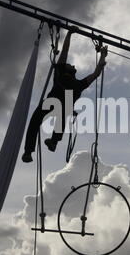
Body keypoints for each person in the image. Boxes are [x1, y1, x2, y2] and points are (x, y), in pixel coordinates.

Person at [22, 26, 108, 163]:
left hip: (54, 102)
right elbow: (95, 73)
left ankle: (32, 149)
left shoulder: (62, 73)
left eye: (71, 65)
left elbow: (94, 72)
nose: (72, 65)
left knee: (36, 120)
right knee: (62, 109)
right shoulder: (76, 82)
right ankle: (51, 142)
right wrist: (102, 55)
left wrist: (69, 34)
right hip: (61, 104)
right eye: (70, 65)